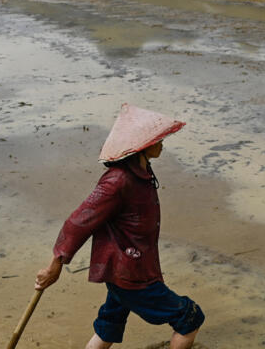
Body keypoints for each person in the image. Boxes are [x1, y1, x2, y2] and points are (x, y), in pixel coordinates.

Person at [35, 104, 204, 349]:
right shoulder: (117, 181)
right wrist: (55, 265)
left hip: (124, 269)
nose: (162, 143)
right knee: (189, 318)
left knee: (109, 324)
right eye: (158, 139)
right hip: (131, 274)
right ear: (143, 146)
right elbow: (79, 222)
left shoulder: (141, 171)